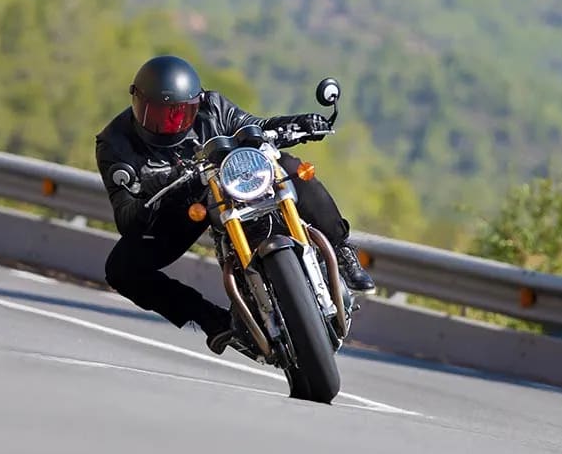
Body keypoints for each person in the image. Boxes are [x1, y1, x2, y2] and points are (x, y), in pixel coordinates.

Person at [94, 54, 376, 356]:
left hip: (232, 182)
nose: (170, 124)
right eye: (160, 115)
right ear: (137, 103)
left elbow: (253, 127)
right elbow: (126, 218)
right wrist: (158, 190)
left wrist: (298, 124)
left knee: (293, 169)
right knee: (121, 269)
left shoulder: (213, 108)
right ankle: (213, 320)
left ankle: (343, 250)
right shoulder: (115, 143)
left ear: (196, 104)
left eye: (180, 114)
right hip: (177, 209)